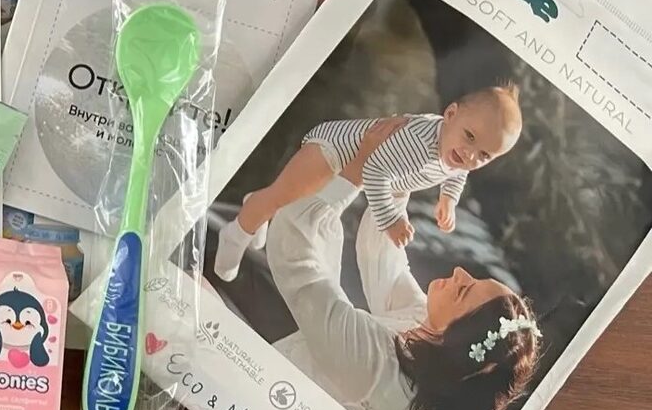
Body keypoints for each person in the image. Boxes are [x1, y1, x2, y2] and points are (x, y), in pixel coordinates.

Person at [263, 117, 541, 410]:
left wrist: (355, 172)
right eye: (472, 278)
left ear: (458, 339)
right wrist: (398, 171)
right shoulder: (434, 357)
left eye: (464, 290)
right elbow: (386, 266)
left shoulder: (376, 366)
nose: (459, 273)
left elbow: (297, 261)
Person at [216, 83, 523, 280]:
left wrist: (448, 199)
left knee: (293, 200)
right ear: (451, 114)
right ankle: (237, 232)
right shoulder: (418, 143)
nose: (469, 155)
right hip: (335, 150)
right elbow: (374, 172)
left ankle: (258, 208)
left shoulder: (456, 151)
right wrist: (390, 220)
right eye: (469, 137)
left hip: (358, 163)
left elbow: (458, 173)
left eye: (484, 155)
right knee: (283, 197)